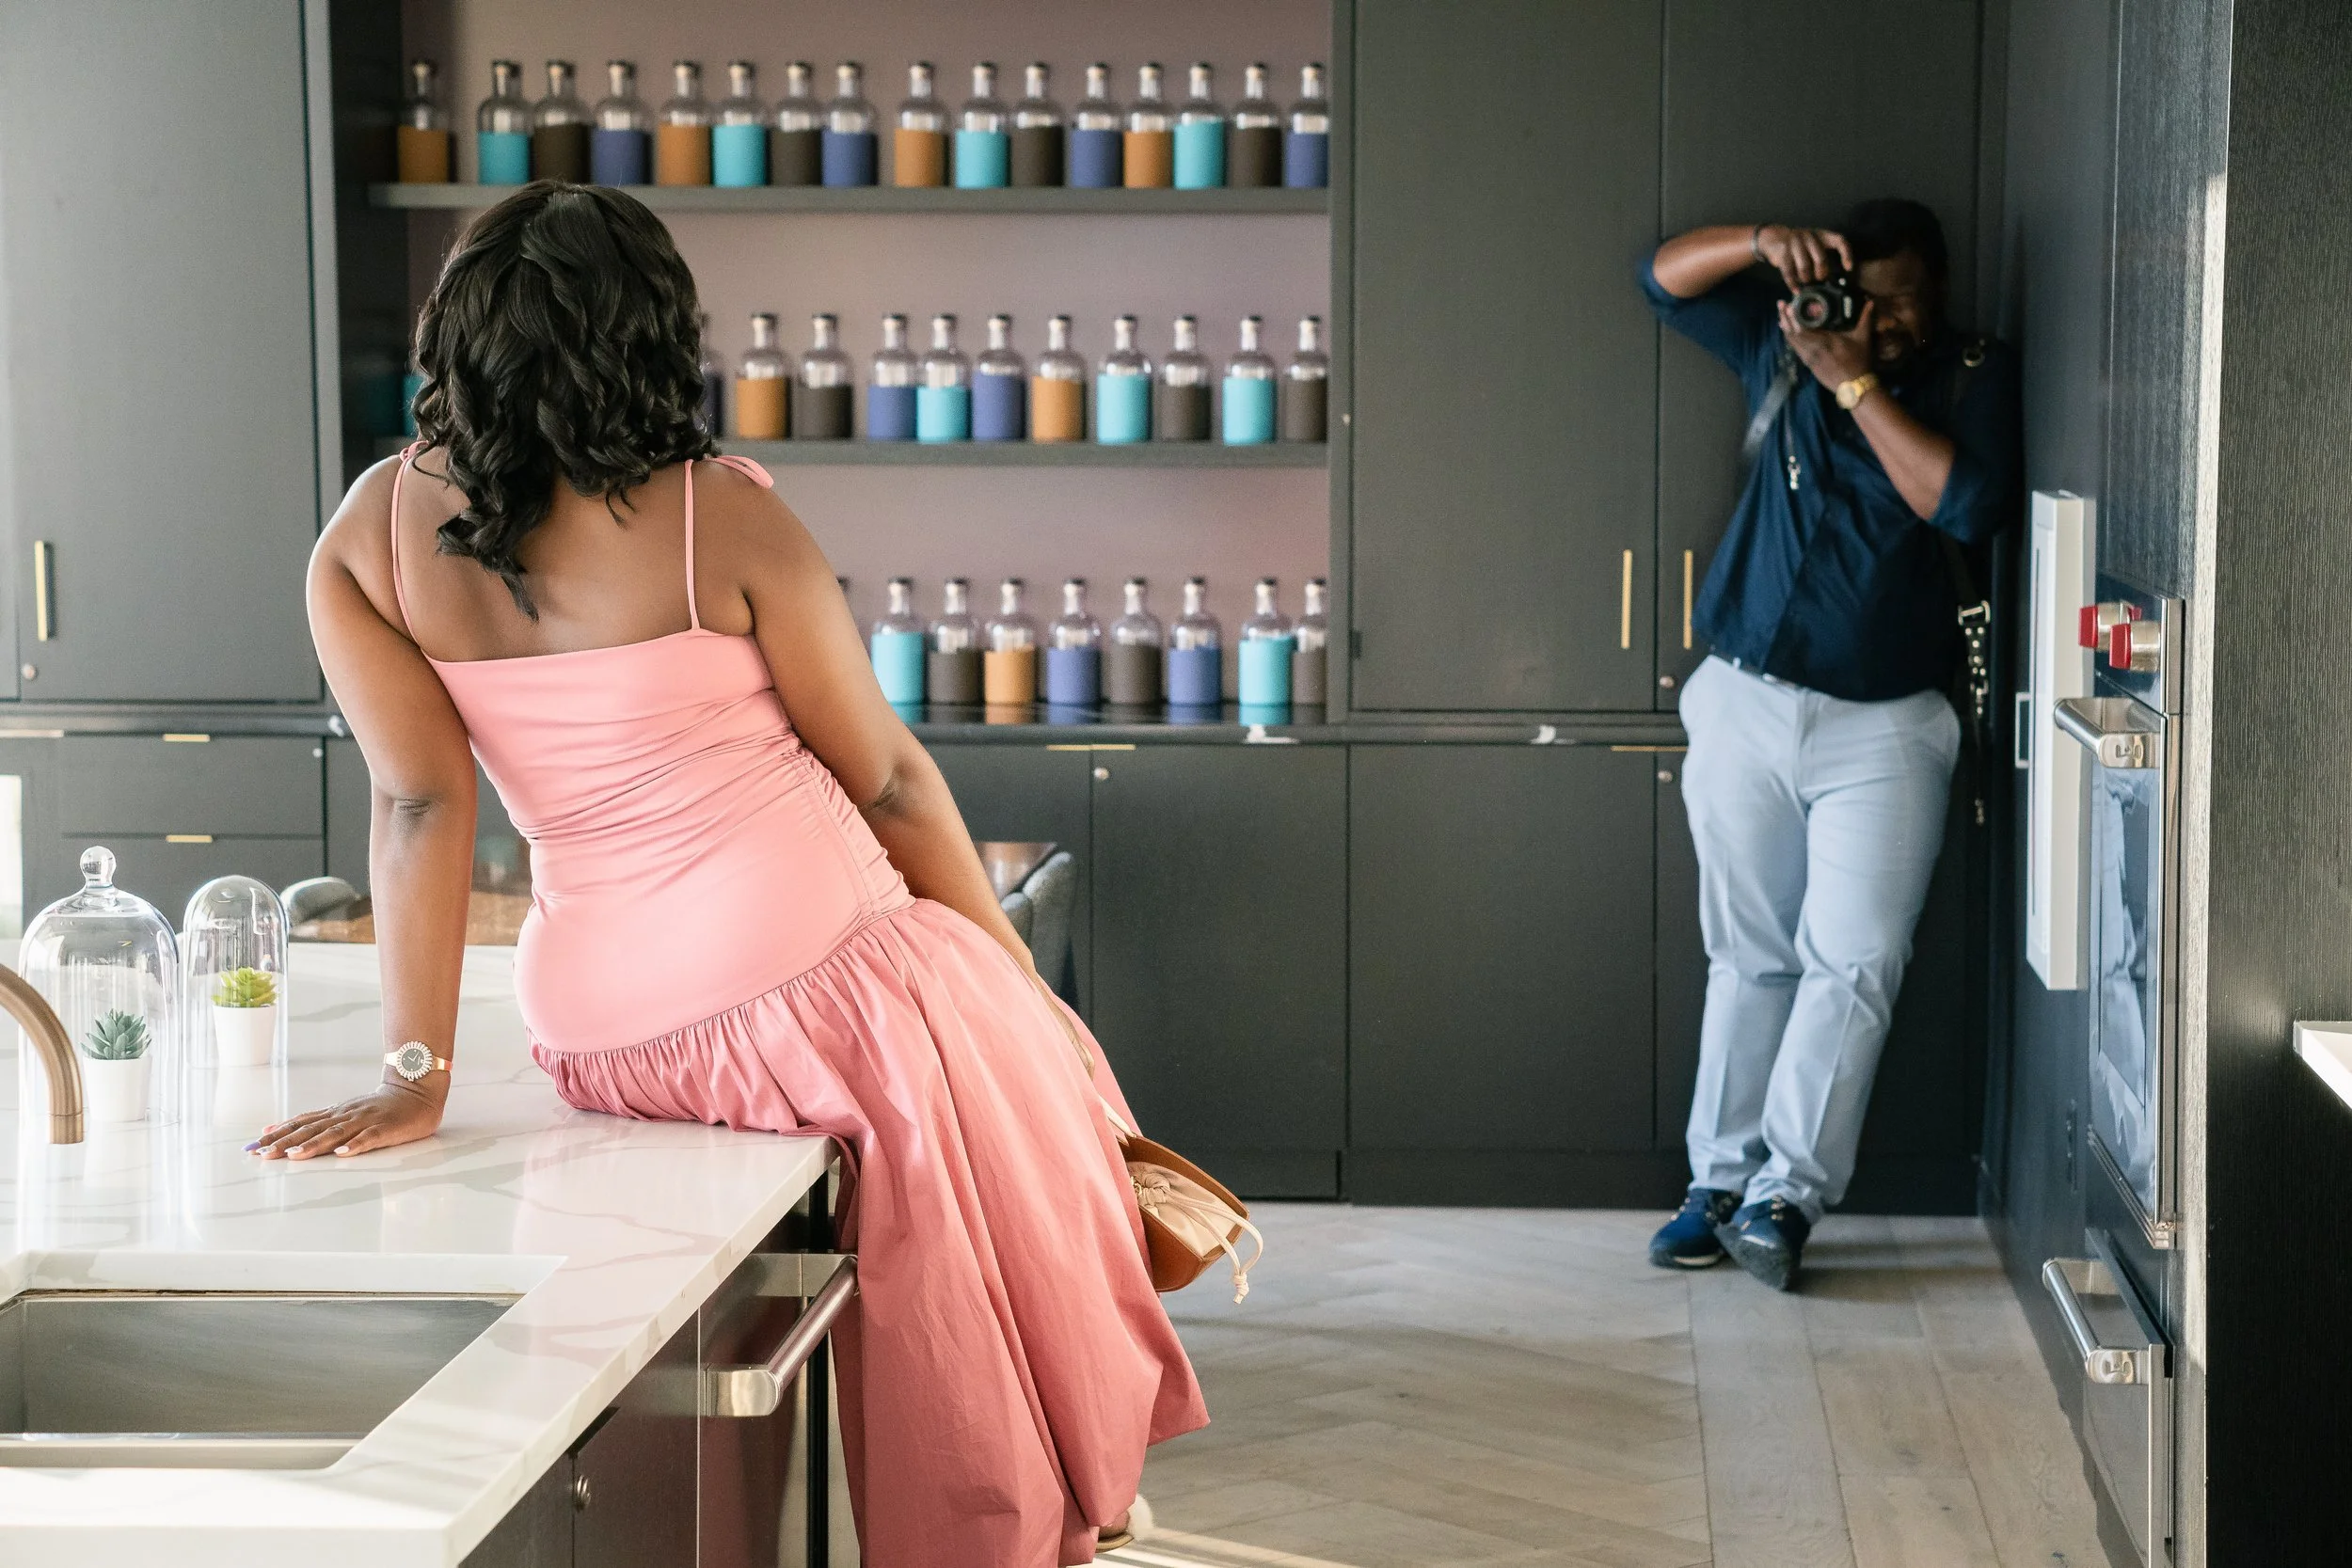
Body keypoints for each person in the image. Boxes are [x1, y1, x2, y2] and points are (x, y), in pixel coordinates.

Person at [250, 182, 1206, 1566]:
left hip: (607, 1034)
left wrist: (418, 1074)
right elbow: (884, 781)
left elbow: (417, 804)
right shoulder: (719, 516)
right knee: (1026, 1080)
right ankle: (1037, 1515)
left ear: (455, 335)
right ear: (647, 335)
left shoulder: (368, 534)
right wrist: (1020, 992)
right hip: (820, 993)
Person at [1638, 199, 2021, 1291]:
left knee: (1851, 963)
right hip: (1744, 699)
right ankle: (1714, 1182)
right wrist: (1766, 250)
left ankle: (1785, 1196)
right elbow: (1659, 279)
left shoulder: (1969, 372)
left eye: (1908, 301)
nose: (1886, 320)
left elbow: (1963, 503)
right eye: (1870, 298)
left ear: (1939, 295)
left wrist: (1852, 380)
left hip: (1888, 725)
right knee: (1747, 955)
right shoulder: (1786, 333)